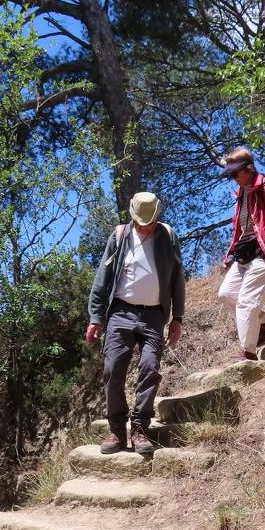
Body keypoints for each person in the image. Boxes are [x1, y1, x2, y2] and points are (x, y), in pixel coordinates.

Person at [86, 192, 185, 456]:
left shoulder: (168, 236)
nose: (146, 227)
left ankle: (140, 427)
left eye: (150, 222)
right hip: (120, 313)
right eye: (142, 222)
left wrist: (177, 317)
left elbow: (177, 279)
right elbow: (101, 279)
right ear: (132, 215)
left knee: (150, 367)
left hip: (154, 315)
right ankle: (117, 430)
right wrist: (96, 318)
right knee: (112, 369)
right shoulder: (119, 236)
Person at [217, 147, 265, 361]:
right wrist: (229, 255)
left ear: (247, 169)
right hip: (243, 255)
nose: (232, 178)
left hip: (264, 253)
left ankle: (248, 352)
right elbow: (239, 230)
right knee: (226, 294)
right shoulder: (241, 194)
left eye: (234, 173)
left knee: (247, 302)